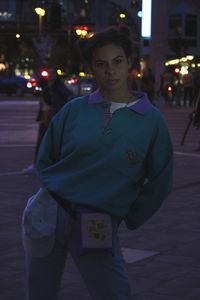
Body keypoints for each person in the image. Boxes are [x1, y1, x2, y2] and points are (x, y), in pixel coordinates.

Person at [22, 26, 173, 300]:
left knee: (114, 293)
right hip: (48, 211)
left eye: (117, 62)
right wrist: (58, 186)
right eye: (101, 64)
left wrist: (127, 211)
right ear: (92, 68)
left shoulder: (151, 121)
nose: (110, 71)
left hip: (97, 219)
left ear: (130, 63)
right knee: (39, 293)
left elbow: (161, 179)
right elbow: (45, 157)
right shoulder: (74, 110)